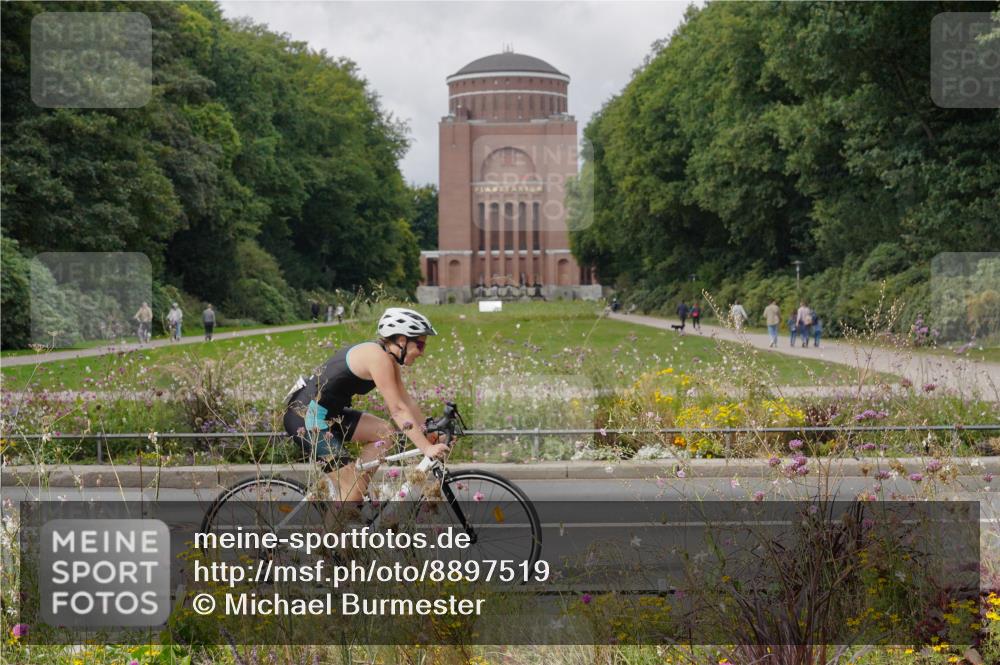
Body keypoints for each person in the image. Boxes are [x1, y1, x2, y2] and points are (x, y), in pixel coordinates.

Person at [283, 307, 450, 502]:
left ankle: (357, 488)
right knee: (352, 493)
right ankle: (347, 503)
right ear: (402, 341)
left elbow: (406, 401)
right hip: (305, 420)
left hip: (327, 415)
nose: (422, 352)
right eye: (420, 345)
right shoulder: (377, 357)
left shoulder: (388, 358)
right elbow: (397, 410)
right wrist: (426, 448)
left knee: (383, 432)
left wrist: (430, 431)